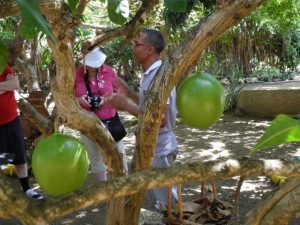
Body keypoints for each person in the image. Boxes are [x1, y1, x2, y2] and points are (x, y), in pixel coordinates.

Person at [103, 28, 178, 209]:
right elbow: (149, 106)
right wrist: (129, 93)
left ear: (149, 49)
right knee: (158, 203)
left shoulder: (159, 75)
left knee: (169, 206)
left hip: (160, 150)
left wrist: (125, 106)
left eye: (137, 44)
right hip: (153, 149)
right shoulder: (150, 73)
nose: (133, 48)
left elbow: (159, 119)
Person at [75, 47, 128, 181]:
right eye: (91, 65)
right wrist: (78, 100)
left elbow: (120, 93)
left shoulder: (109, 71)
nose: (95, 67)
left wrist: (108, 98)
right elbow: (67, 97)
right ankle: (105, 192)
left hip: (110, 120)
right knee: (95, 158)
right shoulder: (76, 74)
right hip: (87, 123)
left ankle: (123, 186)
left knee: (119, 153)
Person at [0, 65, 43, 199]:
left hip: (12, 120)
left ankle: (26, 189)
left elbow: (15, 84)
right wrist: (4, 86)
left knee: (19, 156)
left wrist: (5, 86)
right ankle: (4, 193)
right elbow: (10, 85)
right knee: (2, 160)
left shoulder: (3, 66)